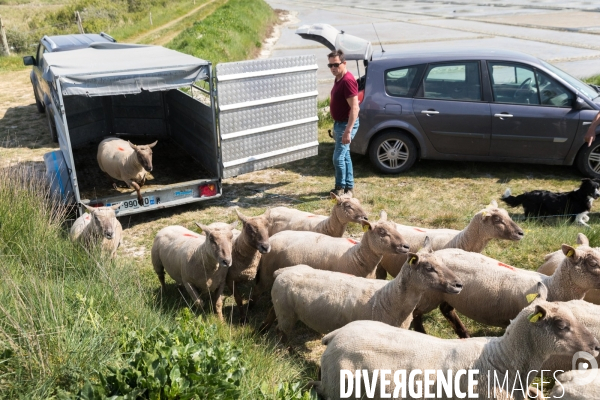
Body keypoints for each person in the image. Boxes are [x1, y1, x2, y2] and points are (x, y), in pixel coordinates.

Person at [328, 49, 359, 197]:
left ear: (344, 63)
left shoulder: (347, 81)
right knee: (345, 156)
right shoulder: (339, 78)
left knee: (338, 157)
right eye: (330, 66)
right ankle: (349, 187)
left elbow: (355, 107)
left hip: (346, 124)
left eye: (336, 65)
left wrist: (348, 130)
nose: (333, 68)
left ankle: (339, 188)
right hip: (339, 124)